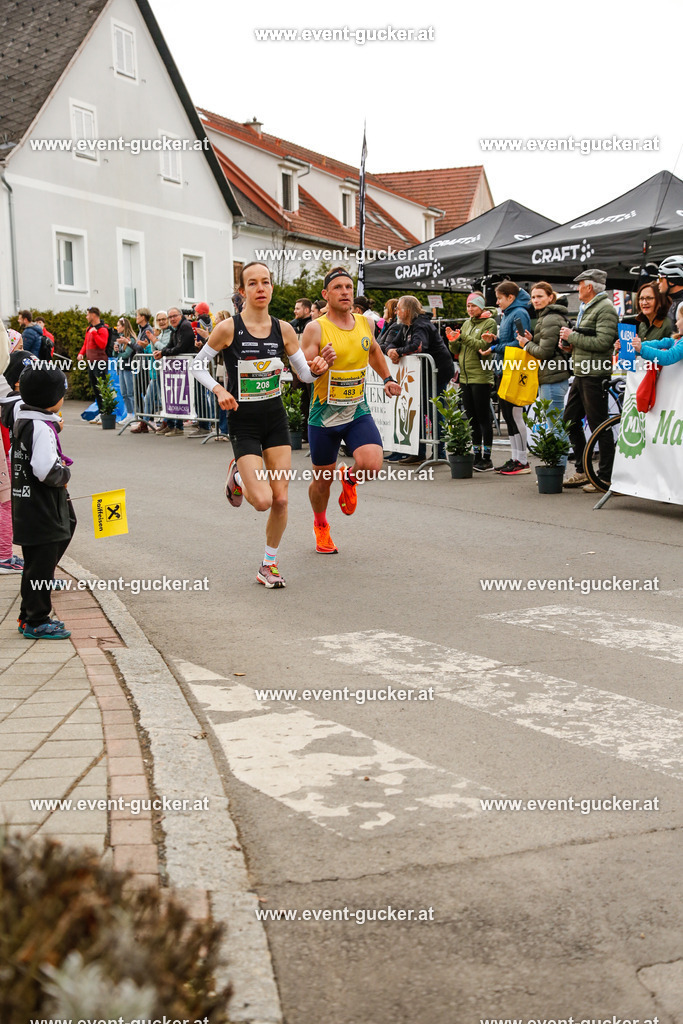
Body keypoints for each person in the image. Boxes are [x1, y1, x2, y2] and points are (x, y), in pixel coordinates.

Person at [189, 261, 333, 587]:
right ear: (242, 291)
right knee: (263, 501)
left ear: (272, 288)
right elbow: (197, 366)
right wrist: (219, 388)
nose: (260, 288)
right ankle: (238, 473)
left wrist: (319, 369)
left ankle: (268, 565)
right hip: (244, 423)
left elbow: (304, 374)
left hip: (275, 421)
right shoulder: (229, 329)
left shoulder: (283, 329)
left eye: (265, 282)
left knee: (281, 500)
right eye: (252, 283)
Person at [301, 267, 401, 554]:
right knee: (322, 483)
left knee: (372, 463)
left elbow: (373, 352)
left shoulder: (365, 323)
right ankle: (320, 524)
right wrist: (318, 365)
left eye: (348, 287)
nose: (345, 292)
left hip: (356, 409)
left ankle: (350, 477)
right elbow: (303, 369)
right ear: (325, 294)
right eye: (338, 287)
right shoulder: (315, 328)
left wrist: (388, 378)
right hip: (324, 415)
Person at [0, 365, 75, 639]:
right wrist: (64, 474)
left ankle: (26, 616)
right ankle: (37, 620)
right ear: (51, 398)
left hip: (28, 509)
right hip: (43, 512)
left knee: (34, 567)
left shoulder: (23, 419)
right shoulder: (41, 428)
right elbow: (45, 469)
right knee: (40, 570)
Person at [559, 269, 618, 491]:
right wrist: (569, 345)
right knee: (570, 420)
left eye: (580, 285)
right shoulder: (589, 307)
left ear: (590, 287)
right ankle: (584, 471)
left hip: (594, 374)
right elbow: (589, 340)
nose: (578, 288)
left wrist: (571, 337)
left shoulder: (605, 308)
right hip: (582, 372)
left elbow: (604, 342)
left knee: (598, 425)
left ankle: (604, 477)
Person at [386, 295, 454, 464]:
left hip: (437, 371)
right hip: (422, 373)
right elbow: (390, 344)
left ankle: (440, 452)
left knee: (434, 411)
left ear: (407, 310)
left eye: (399, 308)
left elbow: (418, 346)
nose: (396, 311)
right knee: (420, 410)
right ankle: (418, 452)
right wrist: (392, 351)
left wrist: (399, 352)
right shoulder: (405, 326)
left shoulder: (421, 324)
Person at [518, 282, 571, 469]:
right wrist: (534, 341)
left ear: (550, 297)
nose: (535, 300)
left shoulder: (549, 319)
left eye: (540, 296)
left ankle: (557, 469)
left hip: (552, 377)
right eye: (533, 297)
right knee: (556, 425)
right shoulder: (548, 317)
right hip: (552, 376)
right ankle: (558, 468)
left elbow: (545, 353)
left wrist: (526, 344)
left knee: (555, 426)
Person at [481, 282, 532, 474]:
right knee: (509, 415)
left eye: (500, 298)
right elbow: (510, 340)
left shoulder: (518, 313)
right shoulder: (510, 313)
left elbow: (519, 344)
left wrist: (495, 347)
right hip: (505, 368)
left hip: (514, 369)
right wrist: (495, 339)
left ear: (510, 297)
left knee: (514, 415)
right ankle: (516, 457)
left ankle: (523, 460)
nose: (497, 302)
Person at [446, 293, 497, 471]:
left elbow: (482, 346)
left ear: (481, 306)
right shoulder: (467, 323)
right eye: (468, 306)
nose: (470, 309)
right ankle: (476, 455)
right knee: (472, 419)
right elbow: (458, 349)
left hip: (481, 376)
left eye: (473, 306)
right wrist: (453, 340)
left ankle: (487, 458)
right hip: (465, 377)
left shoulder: (490, 323)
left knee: (484, 418)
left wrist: (462, 337)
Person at [158, 308, 197, 436]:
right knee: (174, 396)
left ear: (180, 316)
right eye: (170, 317)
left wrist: (163, 352)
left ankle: (203, 425)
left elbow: (181, 347)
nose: (172, 319)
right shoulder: (175, 329)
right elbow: (170, 345)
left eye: (174, 316)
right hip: (178, 368)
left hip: (189, 366)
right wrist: (162, 352)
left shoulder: (185, 327)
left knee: (190, 395)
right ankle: (174, 426)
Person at [77, 307, 110, 415]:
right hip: (91, 362)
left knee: (102, 388)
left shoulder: (103, 329)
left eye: (87, 315)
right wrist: (81, 353)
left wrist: (95, 333)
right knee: (95, 388)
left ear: (93, 315)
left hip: (100, 362)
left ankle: (106, 412)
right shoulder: (89, 329)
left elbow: (102, 345)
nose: (86, 317)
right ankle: (101, 412)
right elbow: (86, 344)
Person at [289, 298, 313, 442]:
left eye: (298, 308)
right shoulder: (292, 326)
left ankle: (312, 433)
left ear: (306, 310)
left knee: (311, 401)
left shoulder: (312, 325)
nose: (295, 311)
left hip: (310, 370)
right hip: (294, 370)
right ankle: (303, 434)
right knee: (300, 402)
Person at [114, 317, 139, 424]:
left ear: (124, 327)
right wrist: (115, 350)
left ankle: (135, 414)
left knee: (130, 393)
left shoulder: (130, 340)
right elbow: (115, 354)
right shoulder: (120, 338)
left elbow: (126, 354)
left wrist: (118, 354)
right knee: (124, 393)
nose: (117, 328)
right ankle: (129, 414)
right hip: (121, 368)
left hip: (129, 368)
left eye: (118, 325)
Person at [657, 256, 683, 325]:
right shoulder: (676, 302)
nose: (658, 282)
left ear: (672, 281)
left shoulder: (681, 305)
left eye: (660, 278)